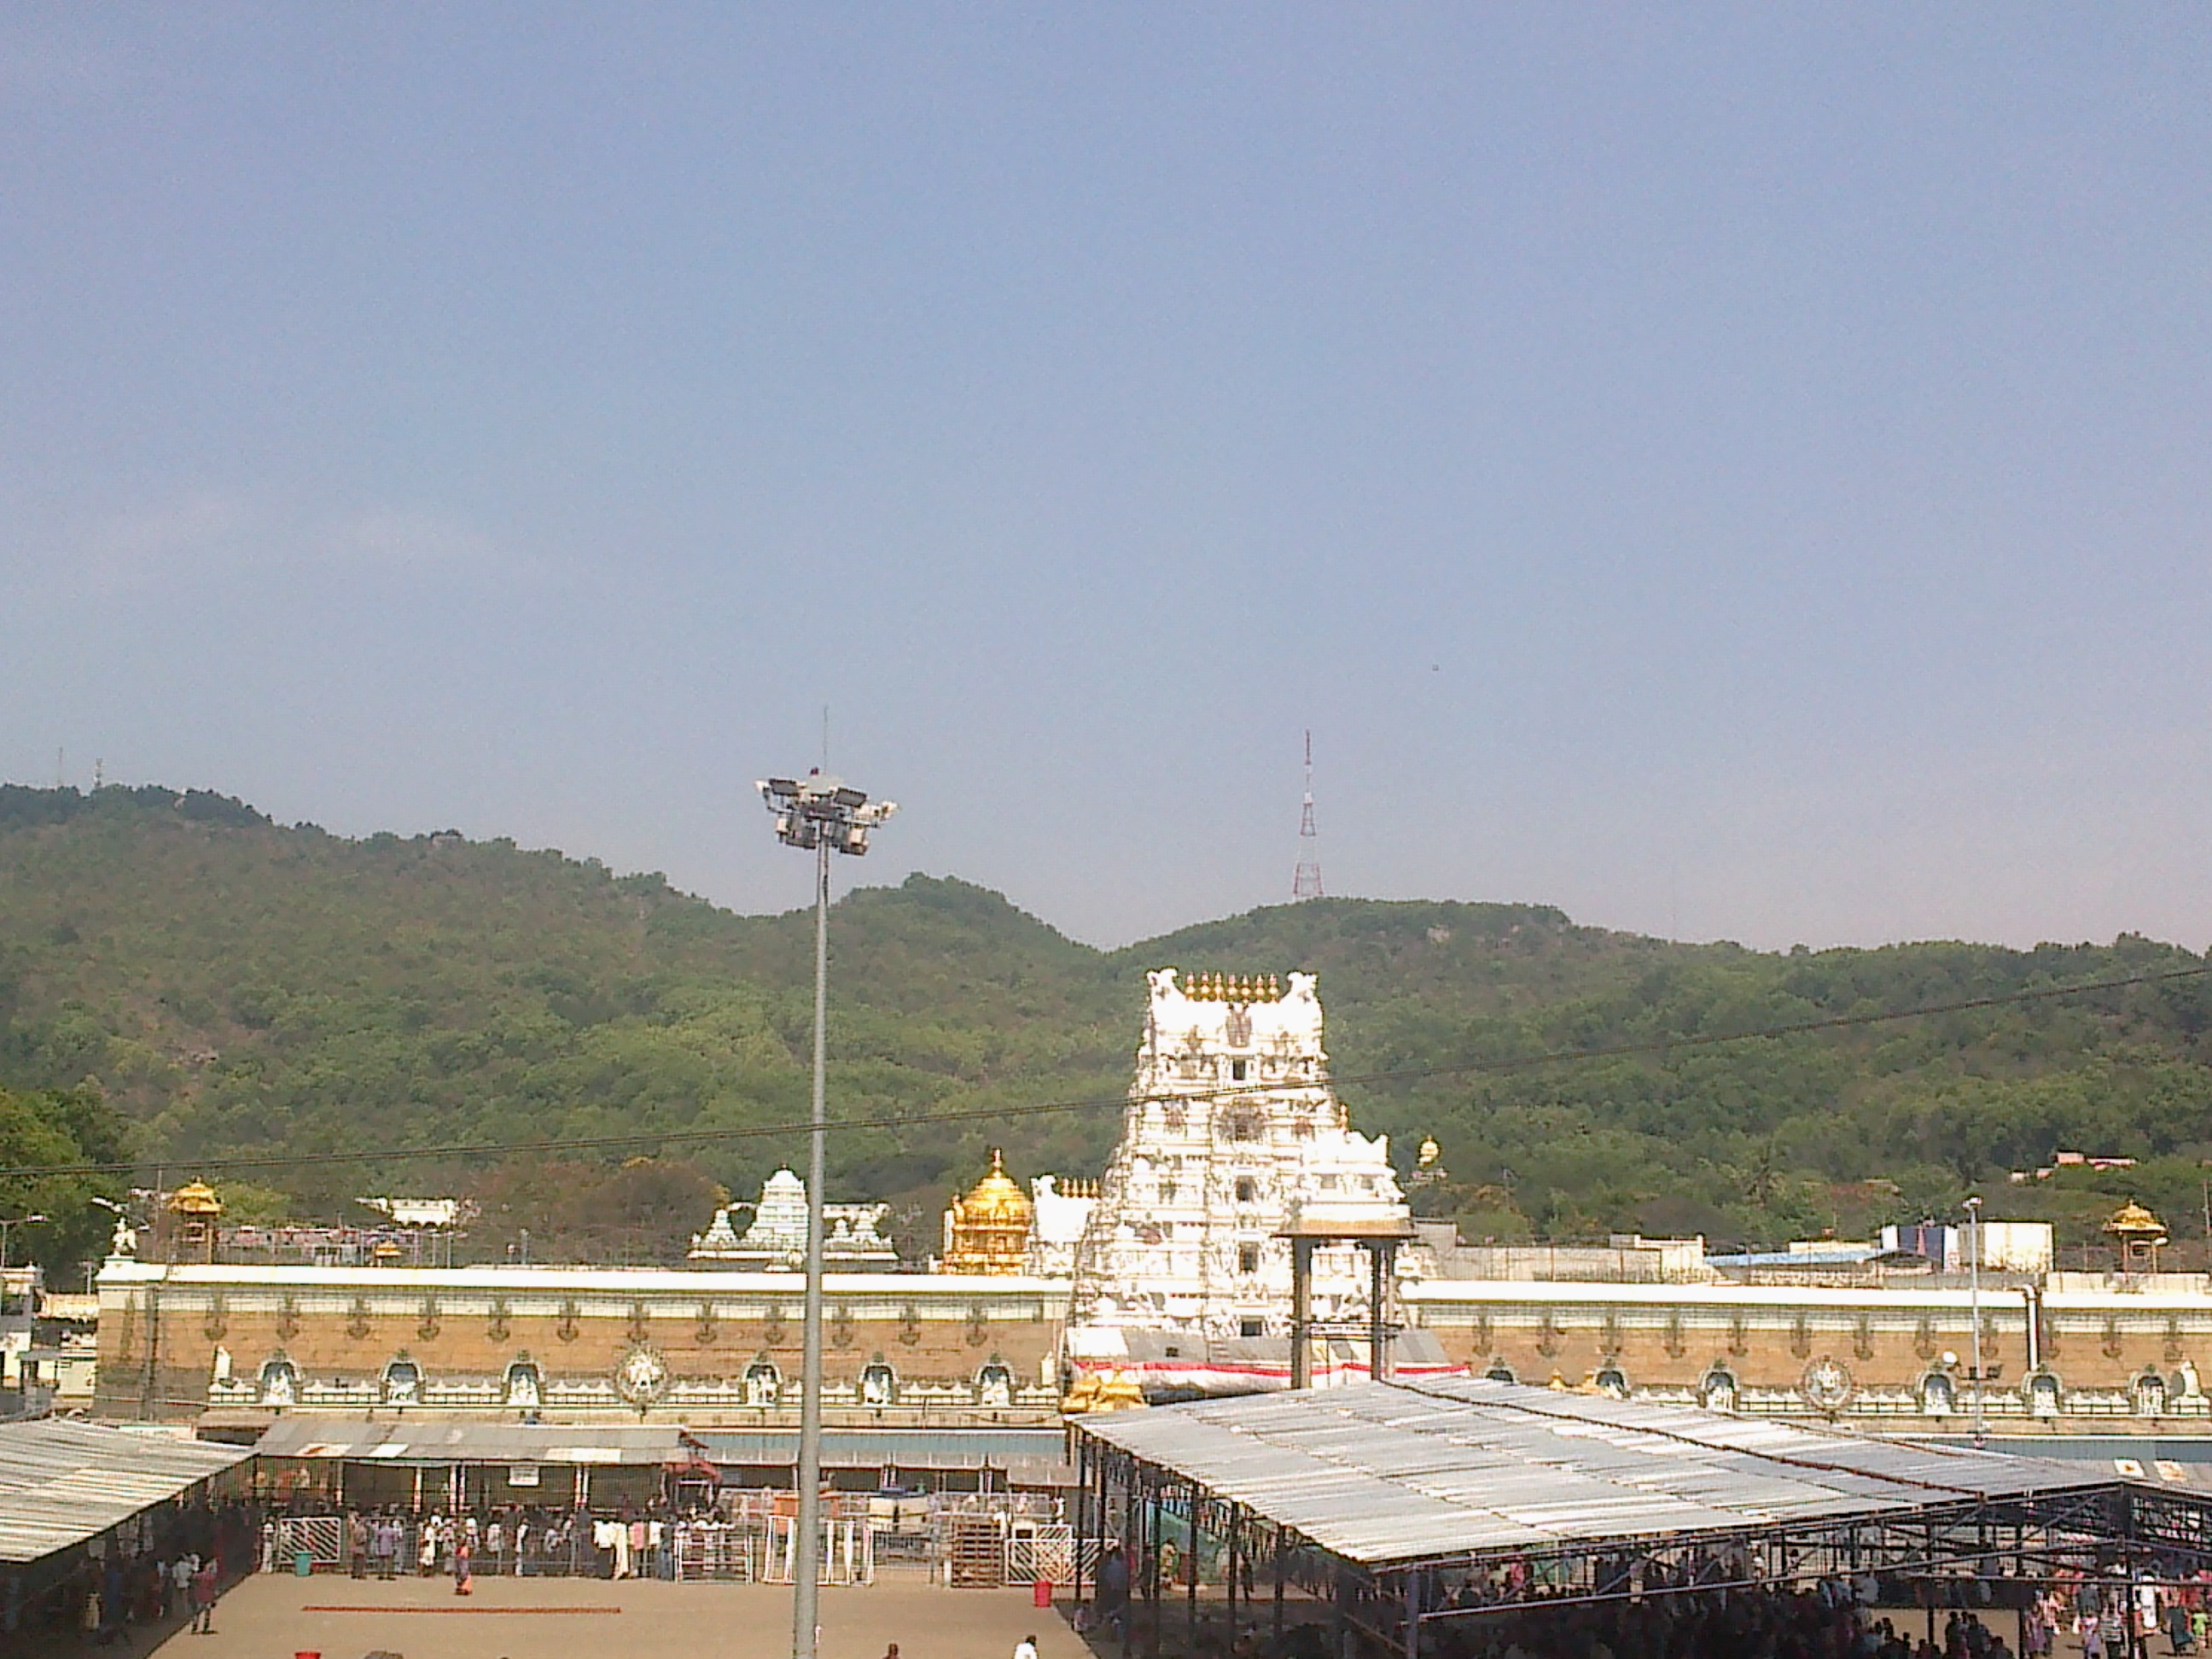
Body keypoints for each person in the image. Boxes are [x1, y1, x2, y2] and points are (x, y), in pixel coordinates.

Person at [189, 1558, 218, 1635]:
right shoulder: (211, 1576)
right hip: (208, 1596)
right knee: (207, 1613)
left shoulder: (199, 1576)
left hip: (200, 1596)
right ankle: (205, 1627)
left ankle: (194, 1626)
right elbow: (213, 1587)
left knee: (197, 1612)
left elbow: (192, 1577)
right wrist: (214, 1598)